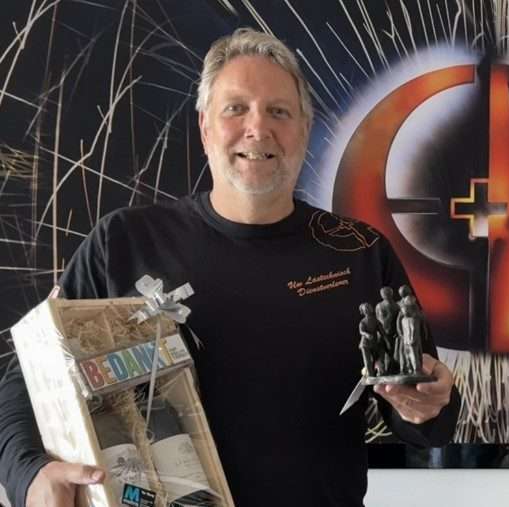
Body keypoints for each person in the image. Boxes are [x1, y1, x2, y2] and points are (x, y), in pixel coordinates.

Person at [0, 28, 459, 507]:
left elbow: (428, 416)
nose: (257, 128)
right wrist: (30, 474)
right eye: (236, 108)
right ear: (205, 127)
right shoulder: (122, 244)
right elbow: (26, 382)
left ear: (305, 129)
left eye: (279, 111)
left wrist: (428, 406)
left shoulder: (360, 252)